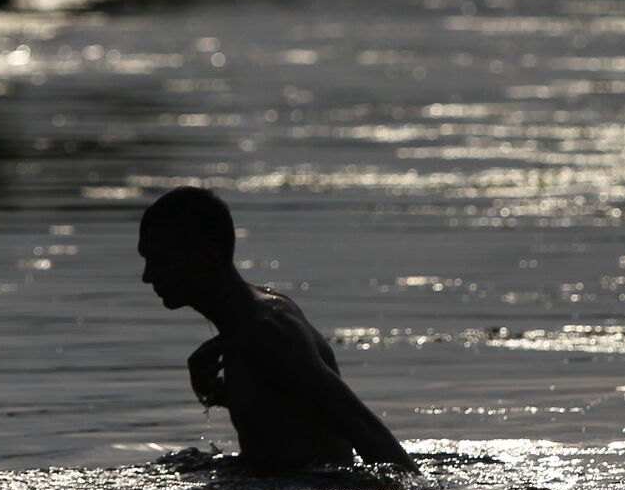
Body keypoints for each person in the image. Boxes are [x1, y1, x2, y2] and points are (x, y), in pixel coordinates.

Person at [138, 186, 417, 472]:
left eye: (160, 261)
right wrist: (225, 398)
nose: (147, 277)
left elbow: (364, 428)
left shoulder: (265, 332)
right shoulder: (250, 324)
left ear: (207, 256)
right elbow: (293, 425)